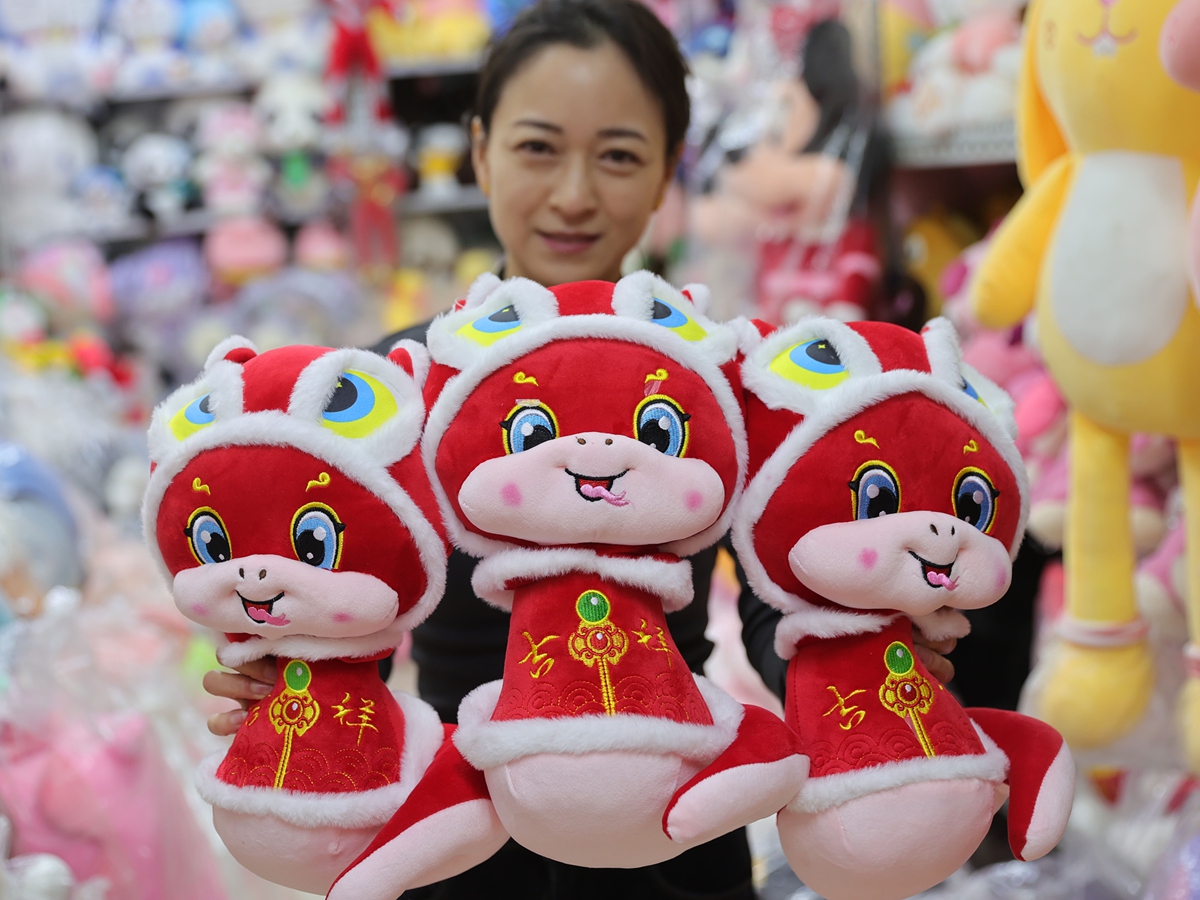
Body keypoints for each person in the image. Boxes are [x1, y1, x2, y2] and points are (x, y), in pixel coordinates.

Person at [203, 3, 957, 897]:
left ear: (669, 170)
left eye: (618, 155)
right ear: (479, 149)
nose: (573, 193)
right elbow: (352, 605)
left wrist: (850, 647)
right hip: (455, 821)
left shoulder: (721, 376)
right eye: (536, 148)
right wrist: (288, 670)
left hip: (673, 803)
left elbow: (777, 589)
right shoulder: (390, 388)